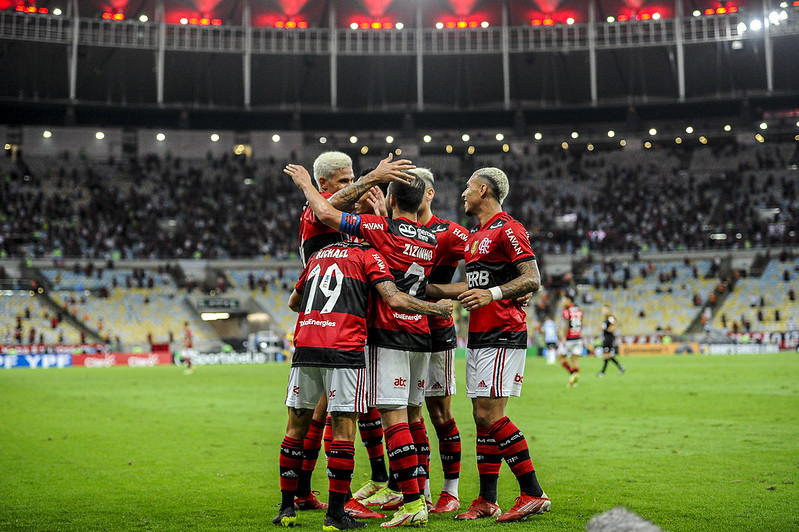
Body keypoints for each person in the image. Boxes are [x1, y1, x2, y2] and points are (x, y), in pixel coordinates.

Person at [286, 161, 436, 528]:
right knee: (338, 418)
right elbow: (325, 209)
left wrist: (381, 214)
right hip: (345, 329)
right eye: (345, 182)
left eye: (356, 179)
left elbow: (382, 239)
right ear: (324, 184)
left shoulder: (362, 231)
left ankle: (307, 496)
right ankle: (367, 498)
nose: (354, 189)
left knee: (327, 416)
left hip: (338, 327)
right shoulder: (317, 212)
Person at [273, 240, 453, 530]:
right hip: (344, 347)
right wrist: (437, 310)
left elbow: (295, 302)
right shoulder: (369, 255)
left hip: (306, 344)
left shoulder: (318, 255)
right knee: (344, 428)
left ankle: (285, 509)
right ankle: (335, 514)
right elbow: (394, 299)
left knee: (295, 428)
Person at [427, 167, 550, 522]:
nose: (462, 194)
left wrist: (492, 294)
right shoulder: (477, 235)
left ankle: (533, 492)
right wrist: (424, 290)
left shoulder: (509, 229)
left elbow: (532, 278)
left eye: (467, 188)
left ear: (484, 190)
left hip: (503, 332)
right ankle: (487, 499)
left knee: (489, 415)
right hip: (480, 336)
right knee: (481, 421)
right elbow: (470, 285)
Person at [413, 168, 468, 514]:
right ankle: (421, 491)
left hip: (436, 331)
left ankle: (451, 491)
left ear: (429, 193)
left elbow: (485, 272)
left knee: (439, 412)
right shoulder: (390, 228)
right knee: (406, 414)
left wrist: (437, 291)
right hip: (397, 330)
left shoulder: (449, 233)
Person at [558, 294, 583, 387]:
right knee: (575, 359)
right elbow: (581, 323)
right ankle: (575, 381)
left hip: (569, 338)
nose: (562, 302)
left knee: (561, 357)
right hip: (578, 337)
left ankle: (572, 373)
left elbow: (566, 324)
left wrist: (564, 337)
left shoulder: (566, 311)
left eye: (564, 300)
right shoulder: (579, 310)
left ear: (569, 301)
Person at [597, 306, 625, 377]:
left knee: (606, 355)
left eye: (604, 309)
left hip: (609, 338)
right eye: (602, 310)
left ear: (608, 310)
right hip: (606, 337)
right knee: (607, 356)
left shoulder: (611, 318)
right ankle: (620, 367)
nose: (603, 311)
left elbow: (613, 328)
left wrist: (605, 329)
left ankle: (603, 372)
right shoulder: (606, 319)